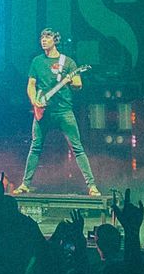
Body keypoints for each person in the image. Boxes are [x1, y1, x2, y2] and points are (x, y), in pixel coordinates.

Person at [19, 27, 100, 196]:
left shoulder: (68, 62)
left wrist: (72, 81)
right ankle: (25, 184)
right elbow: (31, 85)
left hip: (64, 111)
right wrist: (34, 100)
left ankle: (91, 186)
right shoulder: (37, 61)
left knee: (77, 148)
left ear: (55, 40)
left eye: (47, 38)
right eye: (42, 38)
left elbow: (78, 84)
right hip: (43, 111)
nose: (43, 40)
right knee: (35, 147)